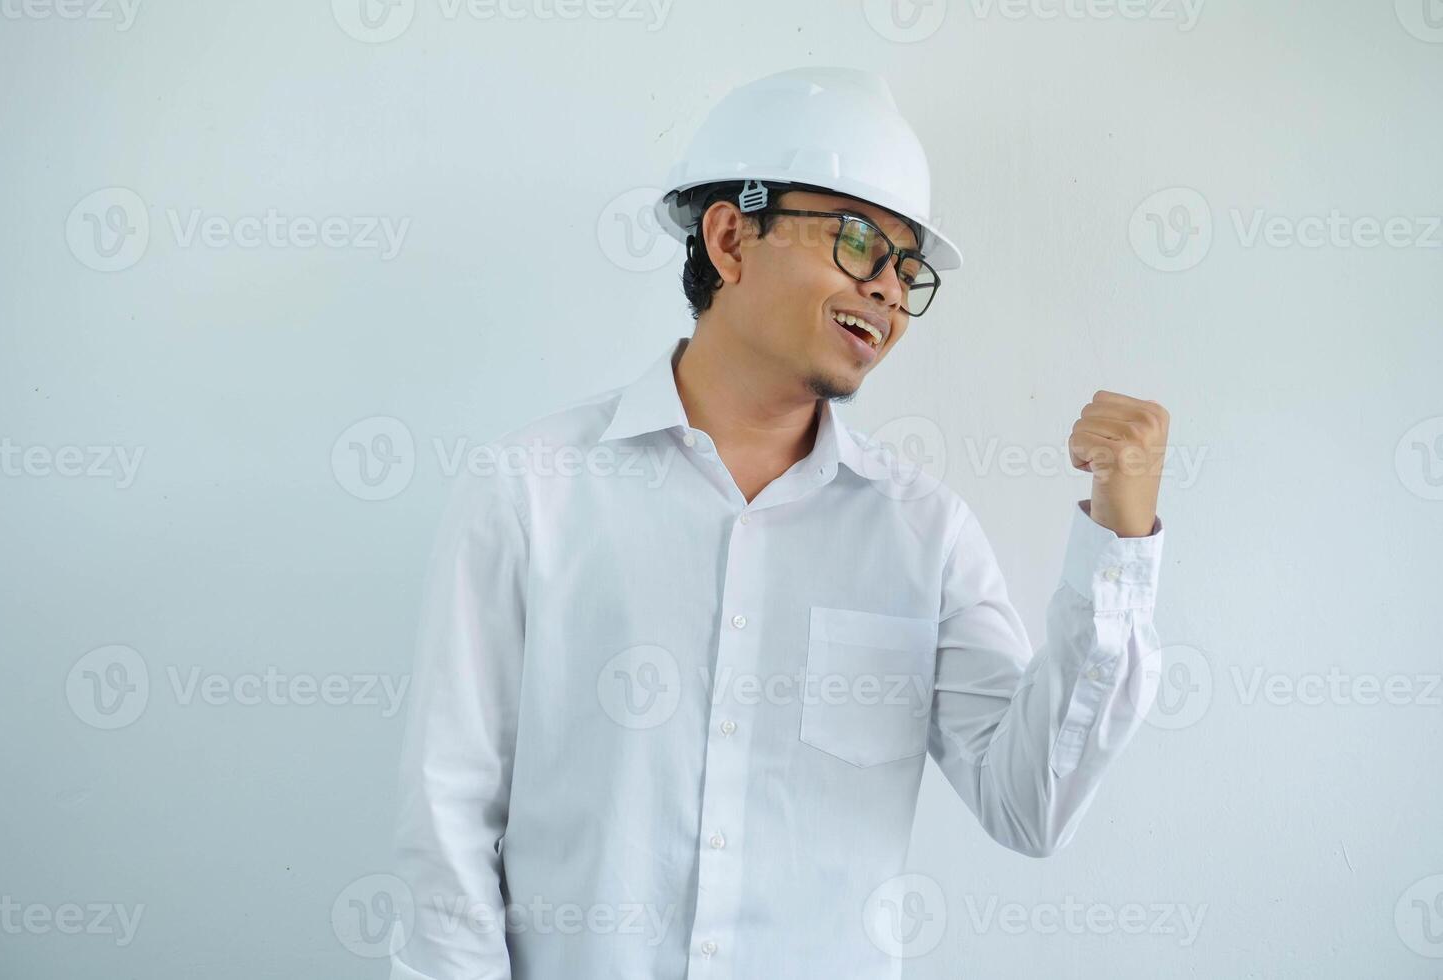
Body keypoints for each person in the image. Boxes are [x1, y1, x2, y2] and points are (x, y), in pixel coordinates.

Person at [388, 66, 1169, 980]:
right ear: (729, 237)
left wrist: (1121, 541)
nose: (887, 289)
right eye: (855, 242)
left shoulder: (922, 535)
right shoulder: (533, 492)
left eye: (907, 269)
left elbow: (1030, 805)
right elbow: (448, 830)